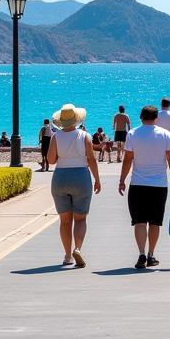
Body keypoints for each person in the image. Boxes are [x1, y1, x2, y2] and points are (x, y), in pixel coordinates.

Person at [119, 105, 170, 269]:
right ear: (156, 118)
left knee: (139, 221)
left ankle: (141, 254)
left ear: (141, 117)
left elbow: (127, 159)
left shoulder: (133, 134)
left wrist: (122, 180)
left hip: (138, 184)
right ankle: (151, 255)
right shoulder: (165, 134)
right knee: (155, 222)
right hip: (159, 185)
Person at [46, 103, 100, 267]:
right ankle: (78, 248)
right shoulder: (85, 136)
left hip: (61, 177)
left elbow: (51, 160)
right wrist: (97, 179)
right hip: (81, 177)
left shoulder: (56, 136)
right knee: (80, 218)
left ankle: (67, 255)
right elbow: (91, 159)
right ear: (77, 120)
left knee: (65, 221)